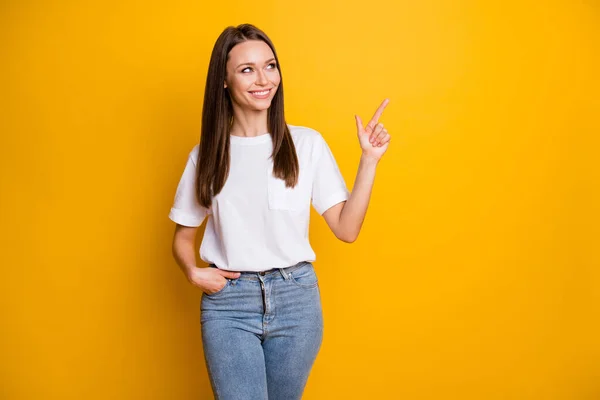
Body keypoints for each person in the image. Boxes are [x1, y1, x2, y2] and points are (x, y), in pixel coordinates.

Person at [168, 23, 391, 400]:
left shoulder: (306, 144)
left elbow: (347, 229)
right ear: (223, 80)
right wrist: (193, 271)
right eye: (246, 69)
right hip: (230, 305)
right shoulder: (205, 155)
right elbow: (182, 237)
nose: (263, 79)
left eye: (270, 66)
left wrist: (369, 161)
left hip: (296, 302)